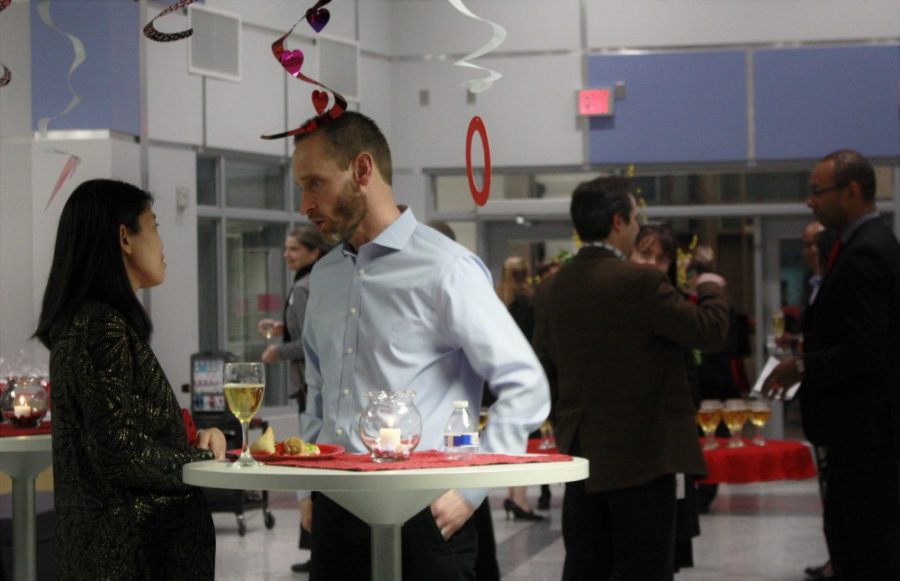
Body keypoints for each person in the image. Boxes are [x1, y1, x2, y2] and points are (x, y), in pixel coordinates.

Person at [292, 111, 550, 581]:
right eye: (301, 188)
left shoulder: (446, 268)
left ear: (362, 170)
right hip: (334, 514)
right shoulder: (325, 277)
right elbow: (318, 389)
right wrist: (307, 489)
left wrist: (468, 491)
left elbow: (526, 385)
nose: (305, 203)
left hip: (427, 512)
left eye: (315, 184)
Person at [532, 176, 729, 581]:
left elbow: (543, 368)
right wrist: (709, 284)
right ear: (618, 222)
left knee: (586, 564)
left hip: (582, 454)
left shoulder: (551, 289)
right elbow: (708, 331)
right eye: (635, 220)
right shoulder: (640, 282)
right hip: (644, 458)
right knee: (644, 568)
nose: (638, 228)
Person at [32, 179, 226, 581]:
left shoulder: (90, 322)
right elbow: (120, 451)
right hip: (129, 557)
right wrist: (202, 461)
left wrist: (188, 443)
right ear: (124, 237)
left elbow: (119, 434)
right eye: (153, 225)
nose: (160, 241)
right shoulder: (101, 326)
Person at [764, 150, 900, 581]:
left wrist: (802, 366)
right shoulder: (857, 246)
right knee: (847, 542)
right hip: (856, 434)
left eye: (817, 192)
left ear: (852, 191)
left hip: (866, 434)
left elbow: (867, 349)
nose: (810, 202)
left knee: (867, 548)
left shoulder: (868, 252)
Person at [257, 227, 332, 575]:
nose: (286, 254)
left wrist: (278, 349)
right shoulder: (310, 283)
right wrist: (280, 329)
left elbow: (310, 344)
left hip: (308, 389)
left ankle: (319, 547)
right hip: (310, 388)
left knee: (310, 467)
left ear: (314, 253)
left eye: (293, 249)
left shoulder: (304, 288)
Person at [630, 224, 701, 573]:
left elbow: (690, 376)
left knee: (662, 551)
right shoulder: (615, 301)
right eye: (645, 253)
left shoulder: (675, 307)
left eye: (661, 258)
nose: (652, 264)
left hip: (665, 443)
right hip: (625, 444)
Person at [496, 256, 546, 521]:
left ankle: (512, 494)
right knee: (526, 440)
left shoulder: (497, 303)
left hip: (499, 379)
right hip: (525, 378)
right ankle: (520, 498)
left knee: (510, 438)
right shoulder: (530, 305)